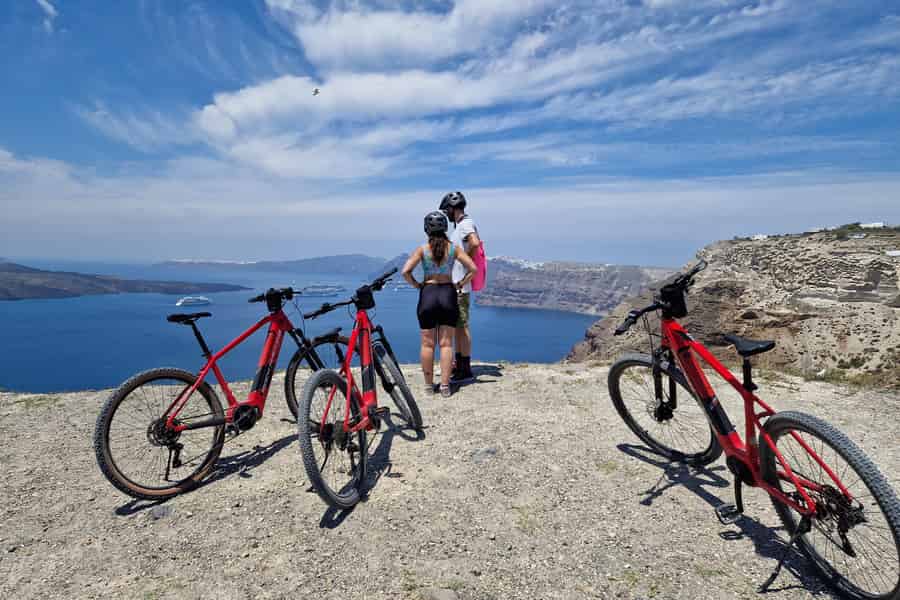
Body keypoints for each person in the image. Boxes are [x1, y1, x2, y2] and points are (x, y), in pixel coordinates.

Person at [402, 211, 477, 398]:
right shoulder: (453, 249)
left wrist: (418, 285)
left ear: (427, 229)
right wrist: (459, 284)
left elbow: (406, 271)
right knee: (446, 344)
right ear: (445, 228)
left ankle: (428, 386)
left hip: (428, 294)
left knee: (427, 344)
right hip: (448, 294)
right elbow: (473, 269)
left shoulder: (422, 249)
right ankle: (445, 386)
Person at [439, 191, 482, 382]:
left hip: (460, 286)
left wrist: (467, 263)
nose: (446, 214)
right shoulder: (460, 226)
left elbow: (474, 242)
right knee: (459, 327)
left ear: (452, 208)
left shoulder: (465, 224)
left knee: (462, 327)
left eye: (446, 210)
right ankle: (461, 364)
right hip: (458, 284)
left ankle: (465, 368)